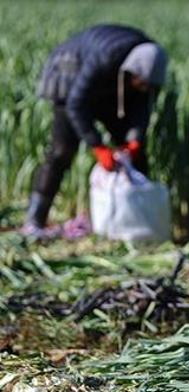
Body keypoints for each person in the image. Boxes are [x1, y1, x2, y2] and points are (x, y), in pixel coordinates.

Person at [22, 24, 169, 239]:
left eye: (148, 85)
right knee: (61, 151)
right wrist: (97, 146)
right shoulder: (105, 57)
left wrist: (134, 139)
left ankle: (138, 221)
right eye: (142, 83)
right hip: (69, 77)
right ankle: (35, 219)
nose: (144, 88)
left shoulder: (146, 66)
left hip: (108, 88)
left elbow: (141, 106)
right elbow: (75, 104)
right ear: (132, 71)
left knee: (135, 155)